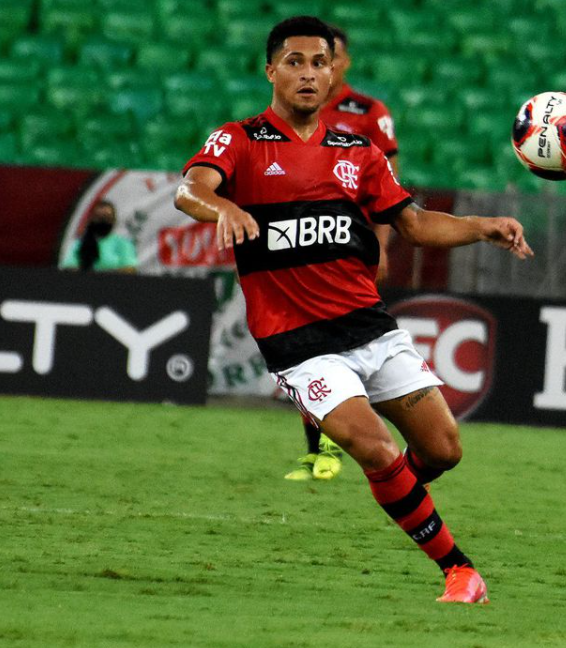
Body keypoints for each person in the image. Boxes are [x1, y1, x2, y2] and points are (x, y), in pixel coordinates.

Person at [174, 16, 532, 603]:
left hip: (370, 327)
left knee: (444, 450)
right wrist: (220, 209)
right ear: (271, 71)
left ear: (334, 71)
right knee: (376, 448)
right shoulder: (239, 140)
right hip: (298, 341)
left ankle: (397, 495)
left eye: (320, 61)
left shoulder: (357, 150)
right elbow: (190, 188)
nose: (309, 73)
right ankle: (459, 571)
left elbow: (414, 224)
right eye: (295, 62)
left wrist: (481, 227)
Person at [282, 23, 404, 483]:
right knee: (308, 346)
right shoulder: (294, 110)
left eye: (326, 58)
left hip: (352, 243)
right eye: (306, 60)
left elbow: (387, 185)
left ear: (341, 63)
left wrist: (383, 243)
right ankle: (319, 449)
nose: (316, 68)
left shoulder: (369, 112)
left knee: (343, 343)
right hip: (301, 243)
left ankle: (339, 445)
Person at [60, 200, 138, 273]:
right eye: (99, 217)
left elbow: (129, 269)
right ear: (91, 219)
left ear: (114, 220)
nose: (103, 221)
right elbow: (68, 268)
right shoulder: (79, 244)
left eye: (107, 217)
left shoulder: (123, 243)